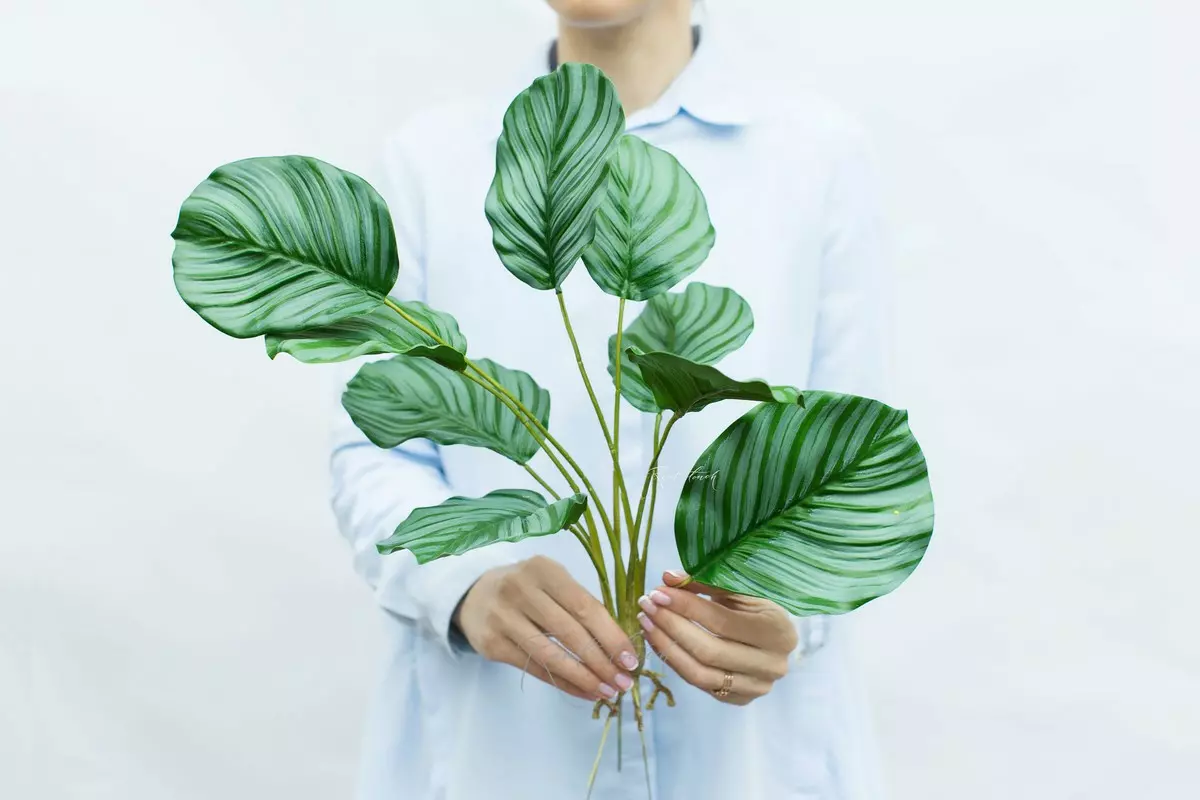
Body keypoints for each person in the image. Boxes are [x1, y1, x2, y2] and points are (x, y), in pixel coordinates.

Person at [330, 1, 891, 797]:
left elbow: (856, 460)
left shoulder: (816, 156)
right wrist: (465, 584)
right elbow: (375, 446)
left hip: (746, 760)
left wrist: (791, 612)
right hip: (502, 752)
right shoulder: (429, 162)